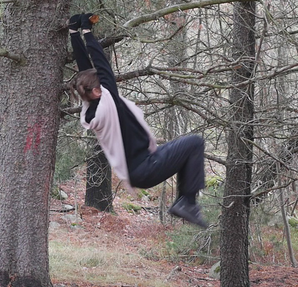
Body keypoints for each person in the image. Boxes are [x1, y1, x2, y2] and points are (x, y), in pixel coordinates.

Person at [68, 13, 208, 228]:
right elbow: (103, 67)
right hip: (146, 167)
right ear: (96, 91)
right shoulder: (108, 105)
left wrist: (74, 32)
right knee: (195, 143)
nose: (107, 84)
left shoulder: (93, 107)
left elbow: (85, 70)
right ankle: (187, 202)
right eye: (102, 85)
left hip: (144, 164)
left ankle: (185, 201)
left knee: (186, 149)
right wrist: (87, 33)